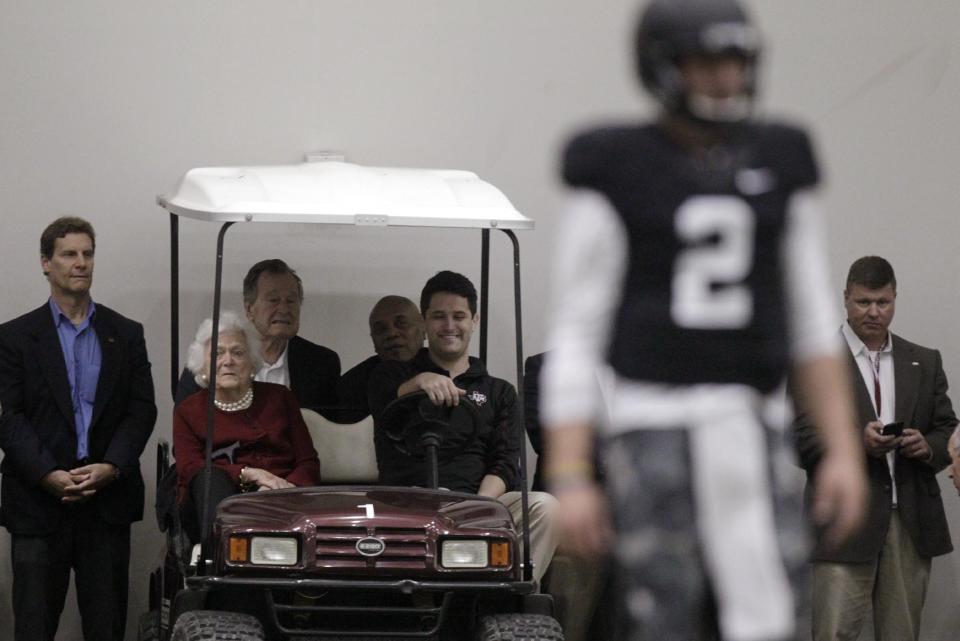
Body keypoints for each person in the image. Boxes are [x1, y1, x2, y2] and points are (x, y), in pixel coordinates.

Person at [539, 2, 867, 640]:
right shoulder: (617, 168)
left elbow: (810, 326)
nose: (725, 77)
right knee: (664, 614)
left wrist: (843, 451)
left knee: (767, 616)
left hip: (754, 422)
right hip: (653, 424)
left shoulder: (781, 159)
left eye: (736, 59)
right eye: (707, 60)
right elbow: (576, 335)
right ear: (664, 65)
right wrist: (572, 472)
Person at [0, 216, 157, 641]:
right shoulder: (13, 338)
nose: (80, 263)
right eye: (69, 254)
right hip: (37, 503)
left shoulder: (125, 334)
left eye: (87, 254)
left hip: (105, 502)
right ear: (45, 263)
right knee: (33, 628)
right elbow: (8, 418)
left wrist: (113, 466)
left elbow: (142, 409)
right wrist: (45, 473)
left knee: (106, 627)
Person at [793, 256, 956, 641]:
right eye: (863, 302)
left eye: (883, 302)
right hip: (844, 522)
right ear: (846, 298)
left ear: (895, 299)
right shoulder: (814, 362)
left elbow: (947, 428)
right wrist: (856, 442)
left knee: (902, 634)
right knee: (834, 633)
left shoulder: (925, 360)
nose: (873, 312)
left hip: (910, 520)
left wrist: (926, 446)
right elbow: (798, 439)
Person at [368, 271, 557, 583]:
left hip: (478, 502)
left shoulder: (499, 391)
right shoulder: (390, 374)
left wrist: (477, 507)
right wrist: (419, 381)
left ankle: (509, 594)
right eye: (439, 316)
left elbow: (506, 462)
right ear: (425, 322)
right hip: (406, 498)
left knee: (545, 507)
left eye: (459, 316)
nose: (449, 326)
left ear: (474, 320)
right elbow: (383, 401)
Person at [174, 311, 321, 540]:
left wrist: (282, 489)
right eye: (217, 353)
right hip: (219, 504)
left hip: (282, 499)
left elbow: (308, 461)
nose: (228, 361)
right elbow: (189, 467)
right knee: (208, 476)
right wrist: (248, 474)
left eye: (238, 352)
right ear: (202, 367)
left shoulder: (281, 398)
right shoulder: (188, 411)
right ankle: (222, 564)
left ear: (252, 362)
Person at [175, 259, 340, 416]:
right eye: (273, 300)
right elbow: (185, 434)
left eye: (291, 300)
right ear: (249, 308)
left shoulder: (322, 364)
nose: (283, 309)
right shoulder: (210, 361)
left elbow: (330, 436)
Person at [337, 295, 425, 422]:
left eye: (401, 323)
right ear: (373, 340)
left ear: (424, 327)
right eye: (381, 329)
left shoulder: (445, 366)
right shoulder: (352, 385)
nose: (391, 333)